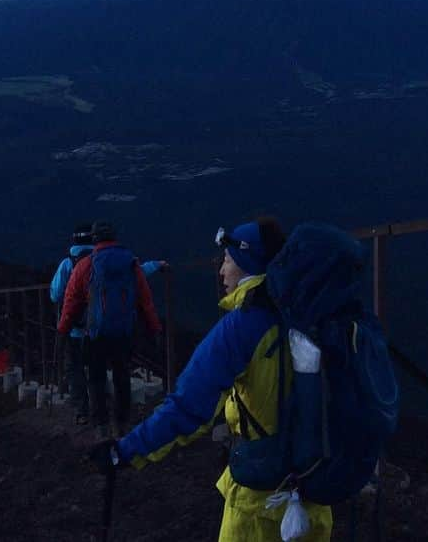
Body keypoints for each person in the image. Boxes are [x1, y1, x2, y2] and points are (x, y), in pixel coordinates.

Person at [94, 217, 333, 542]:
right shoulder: (312, 314)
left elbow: (190, 407)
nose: (221, 270)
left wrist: (124, 451)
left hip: (261, 506)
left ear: (248, 264)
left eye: (228, 260)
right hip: (317, 493)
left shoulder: (242, 327)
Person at [58, 220, 161, 436]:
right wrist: (154, 327)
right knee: (121, 375)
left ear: (95, 239)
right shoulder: (131, 264)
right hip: (123, 332)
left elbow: (70, 300)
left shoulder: (85, 265)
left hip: (95, 333)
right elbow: (145, 298)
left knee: (96, 378)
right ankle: (122, 423)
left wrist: (63, 328)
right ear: (115, 238)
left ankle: (101, 426)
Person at [50, 223, 94, 422]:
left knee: (74, 367)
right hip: (99, 326)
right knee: (97, 364)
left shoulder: (68, 263)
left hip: (74, 327)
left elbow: (56, 293)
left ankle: (82, 411)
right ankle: (101, 405)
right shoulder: (102, 260)